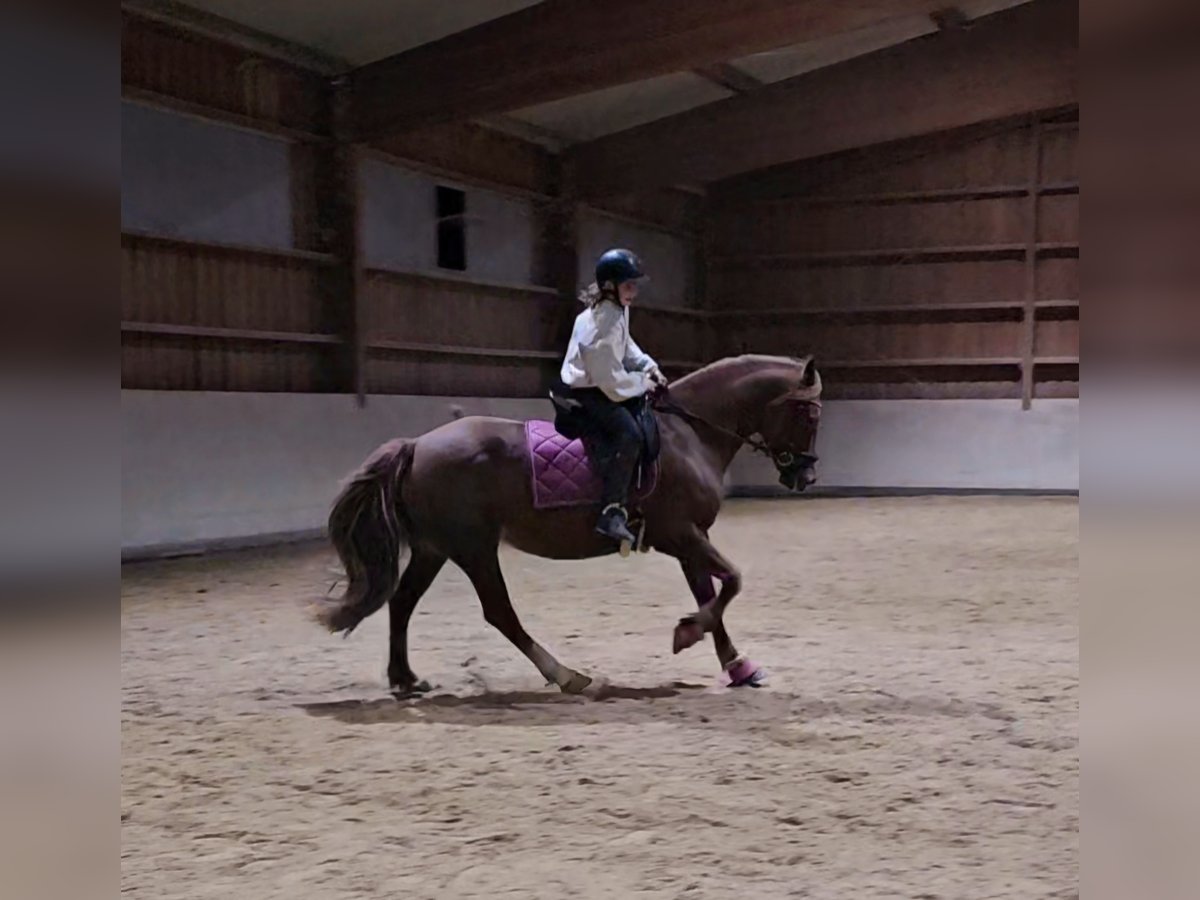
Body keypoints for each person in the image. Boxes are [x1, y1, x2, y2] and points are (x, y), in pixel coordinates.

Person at [559, 248, 669, 547]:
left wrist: (648, 365)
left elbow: (627, 346)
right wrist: (643, 383)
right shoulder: (601, 324)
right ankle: (611, 511)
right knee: (630, 434)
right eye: (629, 285)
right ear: (610, 286)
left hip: (602, 383)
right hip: (590, 391)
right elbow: (610, 379)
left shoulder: (616, 310)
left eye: (635, 285)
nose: (634, 291)